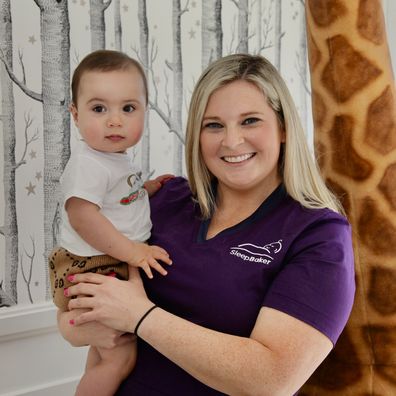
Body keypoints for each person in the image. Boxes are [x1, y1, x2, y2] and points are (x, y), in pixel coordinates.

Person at [58, 53, 355, 395]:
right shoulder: (162, 201)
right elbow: (84, 288)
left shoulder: (319, 236)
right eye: (213, 125)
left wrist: (140, 317)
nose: (231, 141)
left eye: (250, 121)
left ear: (283, 127)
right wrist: (73, 327)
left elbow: (273, 379)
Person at [49, 50, 172, 396]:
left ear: (144, 112)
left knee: (104, 355)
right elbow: (83, 216)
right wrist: (132, 251)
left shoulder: (111, 159)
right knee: (120, 359)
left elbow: (114, 199)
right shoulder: (89, 164)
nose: (115, 120)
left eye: (128, 108)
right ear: (75, 114)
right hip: (97, 265)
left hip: (100, 263)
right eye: (99, 109)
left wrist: (145, 189)